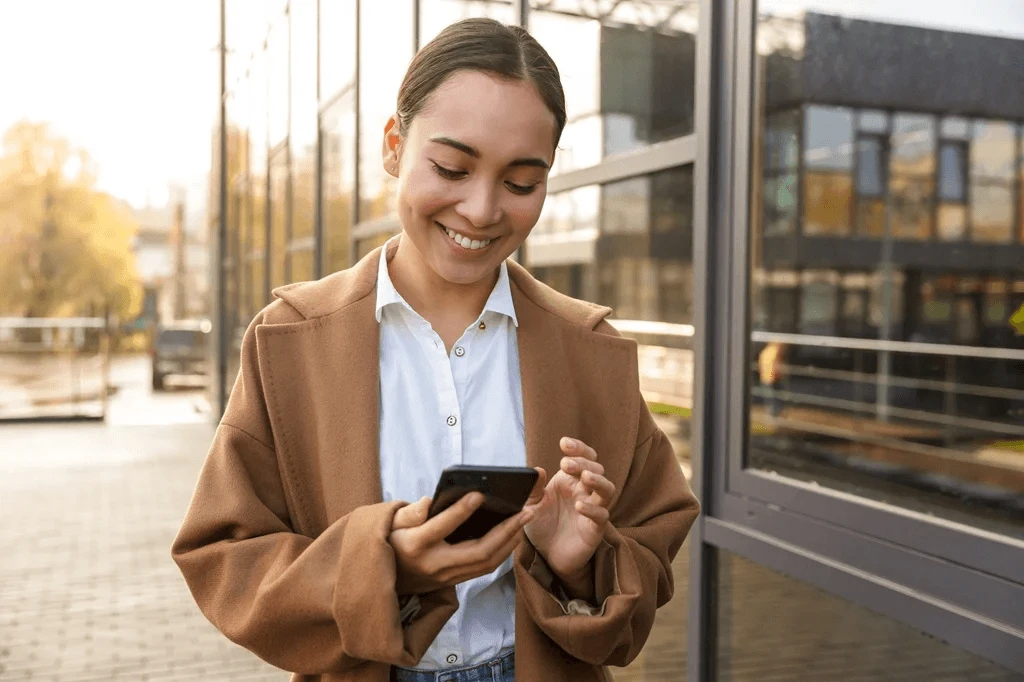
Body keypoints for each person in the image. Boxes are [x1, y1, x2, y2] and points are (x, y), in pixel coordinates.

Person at [172, 17, 700, 682]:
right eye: (451, 167)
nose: (481, 209)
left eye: (521, 182)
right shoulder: (288, 340)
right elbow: (224, 557)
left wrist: (581, 562)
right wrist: (383, 564)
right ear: (394, 145)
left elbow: (652, 543)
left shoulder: (592, 350)